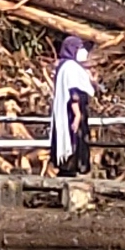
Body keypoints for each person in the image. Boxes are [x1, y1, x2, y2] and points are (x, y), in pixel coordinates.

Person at [48, 35, 97, 177]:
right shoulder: (70, 68)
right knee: (74, 141)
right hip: (72, 114)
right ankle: (72, 168)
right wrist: (77, 116)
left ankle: (69, 167)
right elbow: (73, 93)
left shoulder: (64, 66)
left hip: (68, 113)